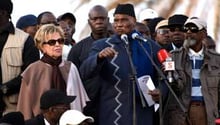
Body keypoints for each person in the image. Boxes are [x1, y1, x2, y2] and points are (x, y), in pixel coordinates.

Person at [80, 3, 167, 125]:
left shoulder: (150, 46)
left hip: (143, 114)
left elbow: (166, 76)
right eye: (116, 20)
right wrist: (98, 57)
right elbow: (84, 72)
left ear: (134, 21)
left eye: (124, 20)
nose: (119, 24)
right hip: (113, 114)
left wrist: (160, 91)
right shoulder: (102, 45)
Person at [17, 24, 89, 120]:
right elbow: (25, 109)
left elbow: (78, 103)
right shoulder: (32, 71)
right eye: (52, 42)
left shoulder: (71, 67)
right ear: (42, 46)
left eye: (60, 41)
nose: (57, 45)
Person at [163, 17, 220, 125]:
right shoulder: (173, 56)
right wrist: (169, 74)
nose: (188, 32)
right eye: (186, 29)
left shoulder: (216, 60)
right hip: (180, 112)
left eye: (193, 29)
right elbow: (175, 88)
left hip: (206, 111)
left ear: (203, 33)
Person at [67, 5, 110, 125]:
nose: (99, 22)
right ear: (89, 22)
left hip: (113, 105)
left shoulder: (119, 45)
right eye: (95, 19)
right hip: (88, 107)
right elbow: (72, 81)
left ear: (108, 20)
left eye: (102, 18)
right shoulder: (78, 49)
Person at [0, 0, 39, 116]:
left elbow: (31, 74)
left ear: (3, 13)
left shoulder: (25, 40)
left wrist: (4, 89)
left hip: (14, 108)